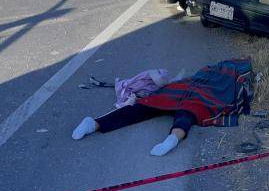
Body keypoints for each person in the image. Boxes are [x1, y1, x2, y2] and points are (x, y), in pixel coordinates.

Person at [72, 59, 254, 156]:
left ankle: (172, 139)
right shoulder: (222, 74)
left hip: (191, 90)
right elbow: (229, 93)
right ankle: (94, 124)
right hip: (189, 90)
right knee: (153, 106)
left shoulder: (219, 73)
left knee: (181, 110)